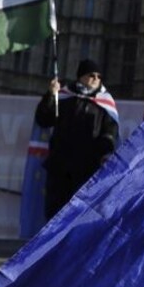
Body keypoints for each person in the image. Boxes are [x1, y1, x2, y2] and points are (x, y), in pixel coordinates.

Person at [35, 59, 120, 218]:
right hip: (60, 166)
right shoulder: (65, 97)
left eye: (99, 76)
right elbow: (43, 119)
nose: (96, 79)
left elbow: (110, 133)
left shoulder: (104, 102)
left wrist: (102, 153)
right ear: (80, 76)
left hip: (87, 169)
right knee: (55, 213)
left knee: (79, 216)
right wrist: (50, 95)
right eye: (91, 75)